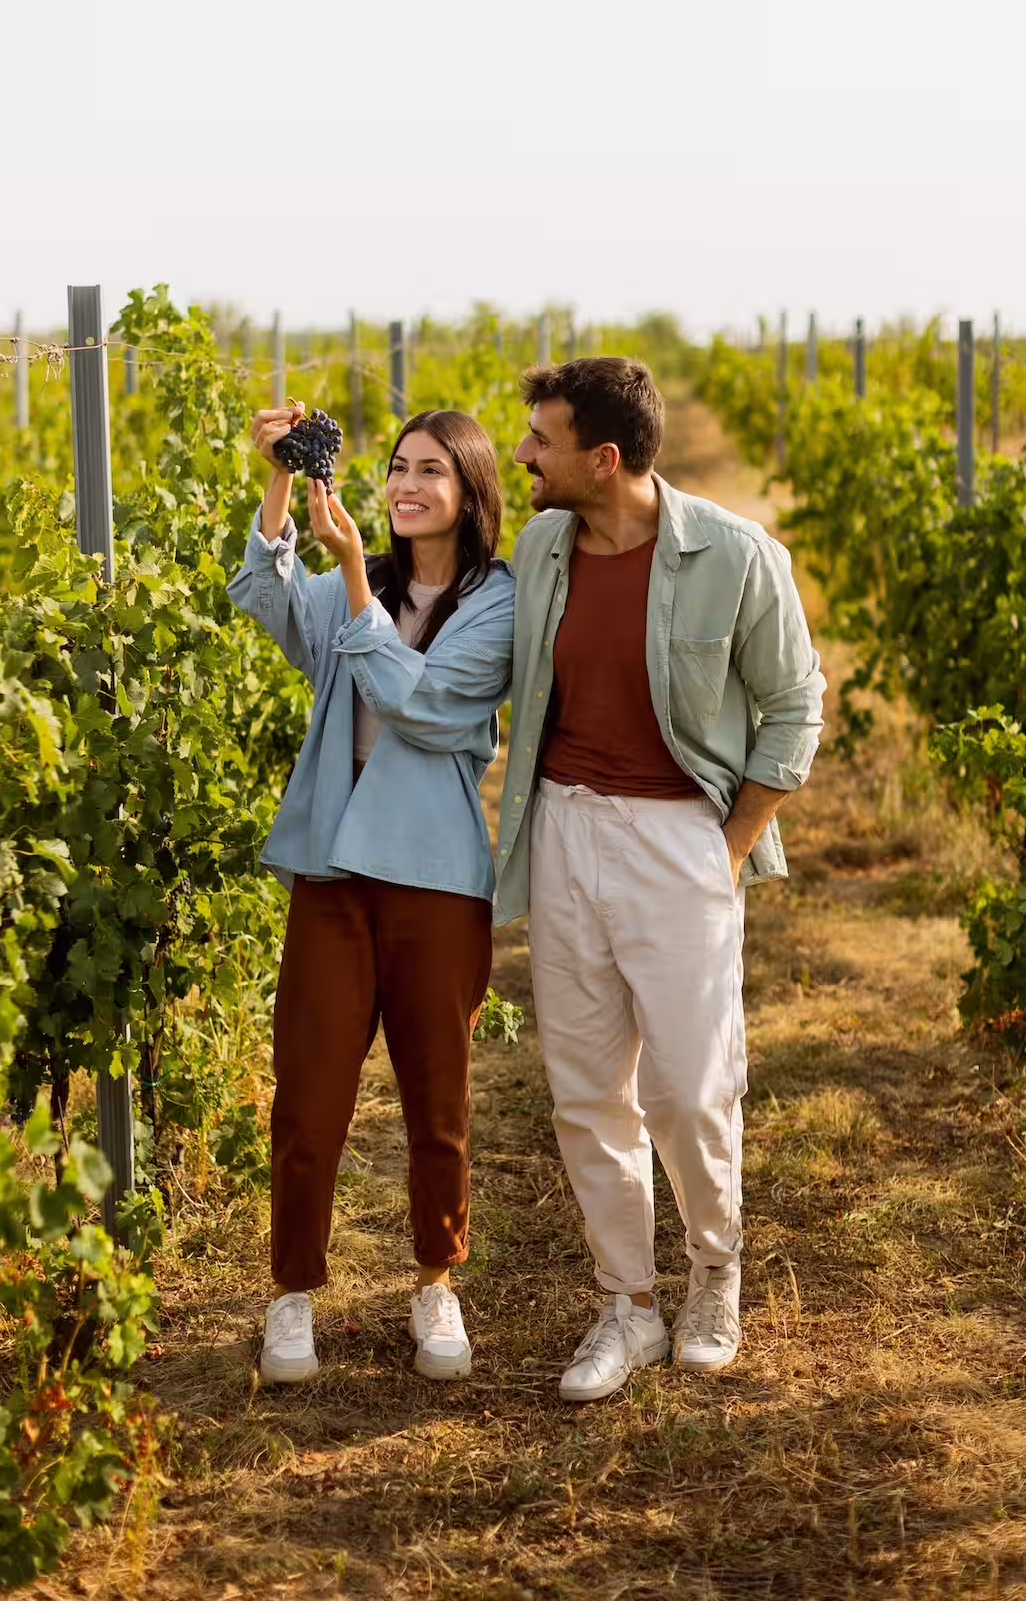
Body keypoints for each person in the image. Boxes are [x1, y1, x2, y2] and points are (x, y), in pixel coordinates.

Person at [494, 357, 825, 1402]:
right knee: (589, 1089)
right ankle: (626, 1305)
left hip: (680, 836)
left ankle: (715, 1274)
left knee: (688, 1086)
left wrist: (729, 843)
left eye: (540, 440)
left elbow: (795, 706)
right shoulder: (543, 544)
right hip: (563, 828)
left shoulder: (734, 555)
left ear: (603, 458)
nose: (523, 456)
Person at [227, 405, 514, 1386]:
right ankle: (291, 1297)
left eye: (431, 470)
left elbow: (422, 704)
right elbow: (262, 597)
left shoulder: (494, 603)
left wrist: (351, 577)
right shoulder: (371, 581)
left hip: (435, 878)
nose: (405, 485)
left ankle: (437, 1281)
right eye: (395, 467)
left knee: (439, 1101)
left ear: (470, 492)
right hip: (334, 872)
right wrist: (275, 475)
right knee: (308, 1100)